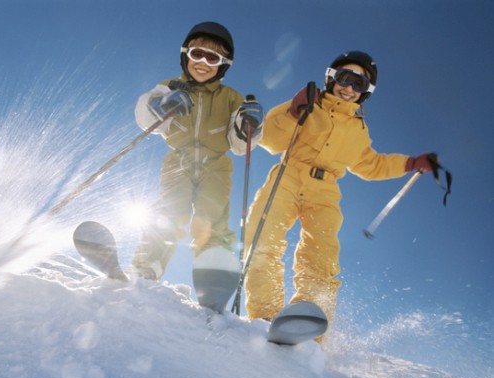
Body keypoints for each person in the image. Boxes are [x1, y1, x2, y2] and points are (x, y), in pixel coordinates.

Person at [244, 51, 435, 335]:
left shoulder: (358, 131)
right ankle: (265, 316)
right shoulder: (309, 103)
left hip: (325, 190)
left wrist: (409, 163)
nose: (349, 88)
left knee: (321, 254)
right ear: (331, 78)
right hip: (287, 175)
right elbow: (269, 139)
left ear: (365, 93)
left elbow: (372, 165)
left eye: (359, 84)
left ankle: (306, 322)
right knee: (262, 237)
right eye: (345, 78)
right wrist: (293, 112)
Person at [131, 21, 264, 280]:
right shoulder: (170, 86)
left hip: (216, 165)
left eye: (212, 57)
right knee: (168, 212)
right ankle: (148, 265)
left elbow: (239, 145)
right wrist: (163, 104)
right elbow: (144, 114)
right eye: (196, 54)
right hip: (178, 161)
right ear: (185, 55)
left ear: (223, 64)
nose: (202, 62)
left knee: (212, 218)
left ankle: (214, 273)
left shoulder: (232, 98)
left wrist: (249, 125)